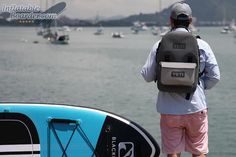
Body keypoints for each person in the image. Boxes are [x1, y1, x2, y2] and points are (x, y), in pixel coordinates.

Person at [141, 2, 220, 157]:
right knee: (198, 153)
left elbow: (147, 75)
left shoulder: (160, 44)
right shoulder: (202, 45)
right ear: (190, 21)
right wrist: (199, 84)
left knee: (173, 153)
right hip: (196, 107)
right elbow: (215, 76)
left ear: (171, 21)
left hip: (169, 110)